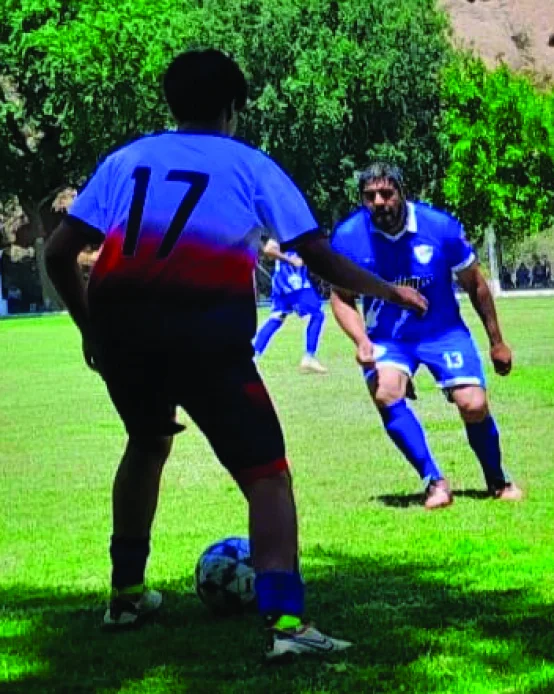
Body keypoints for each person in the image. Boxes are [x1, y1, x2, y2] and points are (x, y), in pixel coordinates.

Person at [43, 49, 425, 661]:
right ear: (233, 109)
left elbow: (60, 254)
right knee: (267, 476)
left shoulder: (126, 159)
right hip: (203, 333)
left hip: (123, 331)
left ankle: (125, 596)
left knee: (146, 444)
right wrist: (388, 290)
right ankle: (288, 623)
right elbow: (319, 257)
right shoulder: (250, 166)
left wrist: (92, 329)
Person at [329, 162, 522, 509]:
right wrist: (361, 340)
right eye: (369, 196)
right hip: (387, 338)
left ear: (402, 192)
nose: (379, 202)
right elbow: (341, 296)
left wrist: (497, 341)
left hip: (442, 331)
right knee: (386, 391)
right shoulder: (348, 237)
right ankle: (434, 482)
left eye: (386, 193)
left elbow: (475, 285)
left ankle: (497, 480)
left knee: (473, 404)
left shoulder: (440, 228)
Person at [253, 239, 328, 373]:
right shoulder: (288, 228)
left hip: (283, 280)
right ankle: (309, 357)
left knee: (277, 318)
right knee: (316, 315)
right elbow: (269, 249)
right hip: (292, 280)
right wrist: (290, 260)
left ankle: (253, 356)